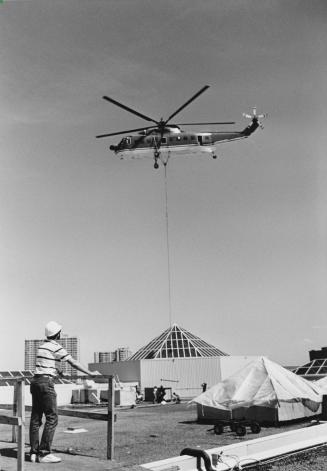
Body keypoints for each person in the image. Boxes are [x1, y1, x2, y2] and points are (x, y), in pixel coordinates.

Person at [29, 321, 99, 464]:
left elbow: (44, 366)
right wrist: (90, 373)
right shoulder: (56, 346)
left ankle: (34, 452)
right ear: (57, 334)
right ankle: (44, 453)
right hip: (45, 384)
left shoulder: (42, 346)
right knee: (52, 417)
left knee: (36, 418)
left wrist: (59, 372)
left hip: (35, 382)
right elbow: (73, 362)